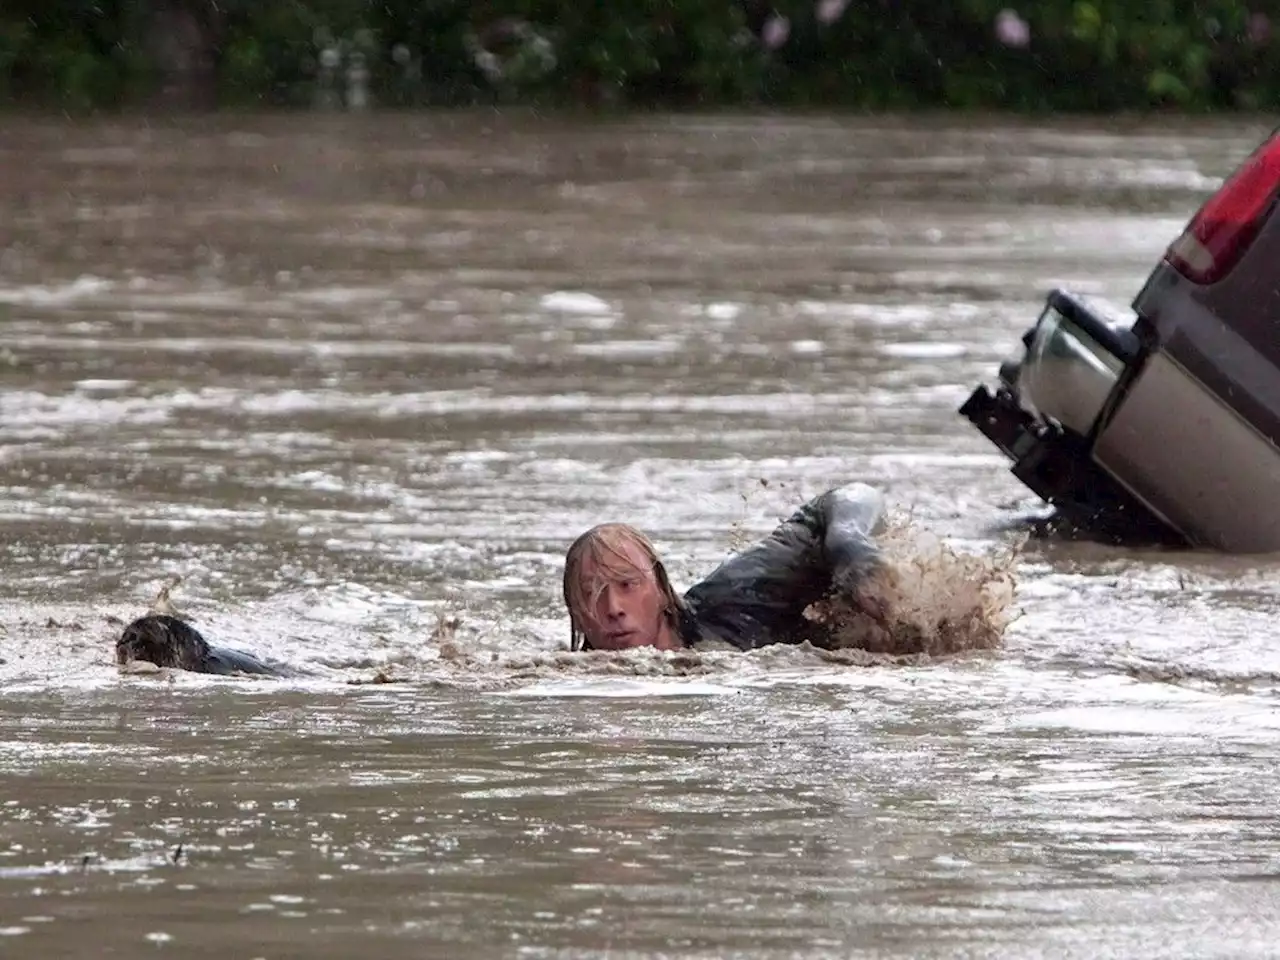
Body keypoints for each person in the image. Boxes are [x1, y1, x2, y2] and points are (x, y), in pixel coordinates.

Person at [562, 482, 887, 652]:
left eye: (628, 584)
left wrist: (849, 544)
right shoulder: (570, 677)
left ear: (661, 590)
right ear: (576, 614)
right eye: (591, 594)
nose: (613, 608)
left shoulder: (735, 597)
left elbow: (852, 497)